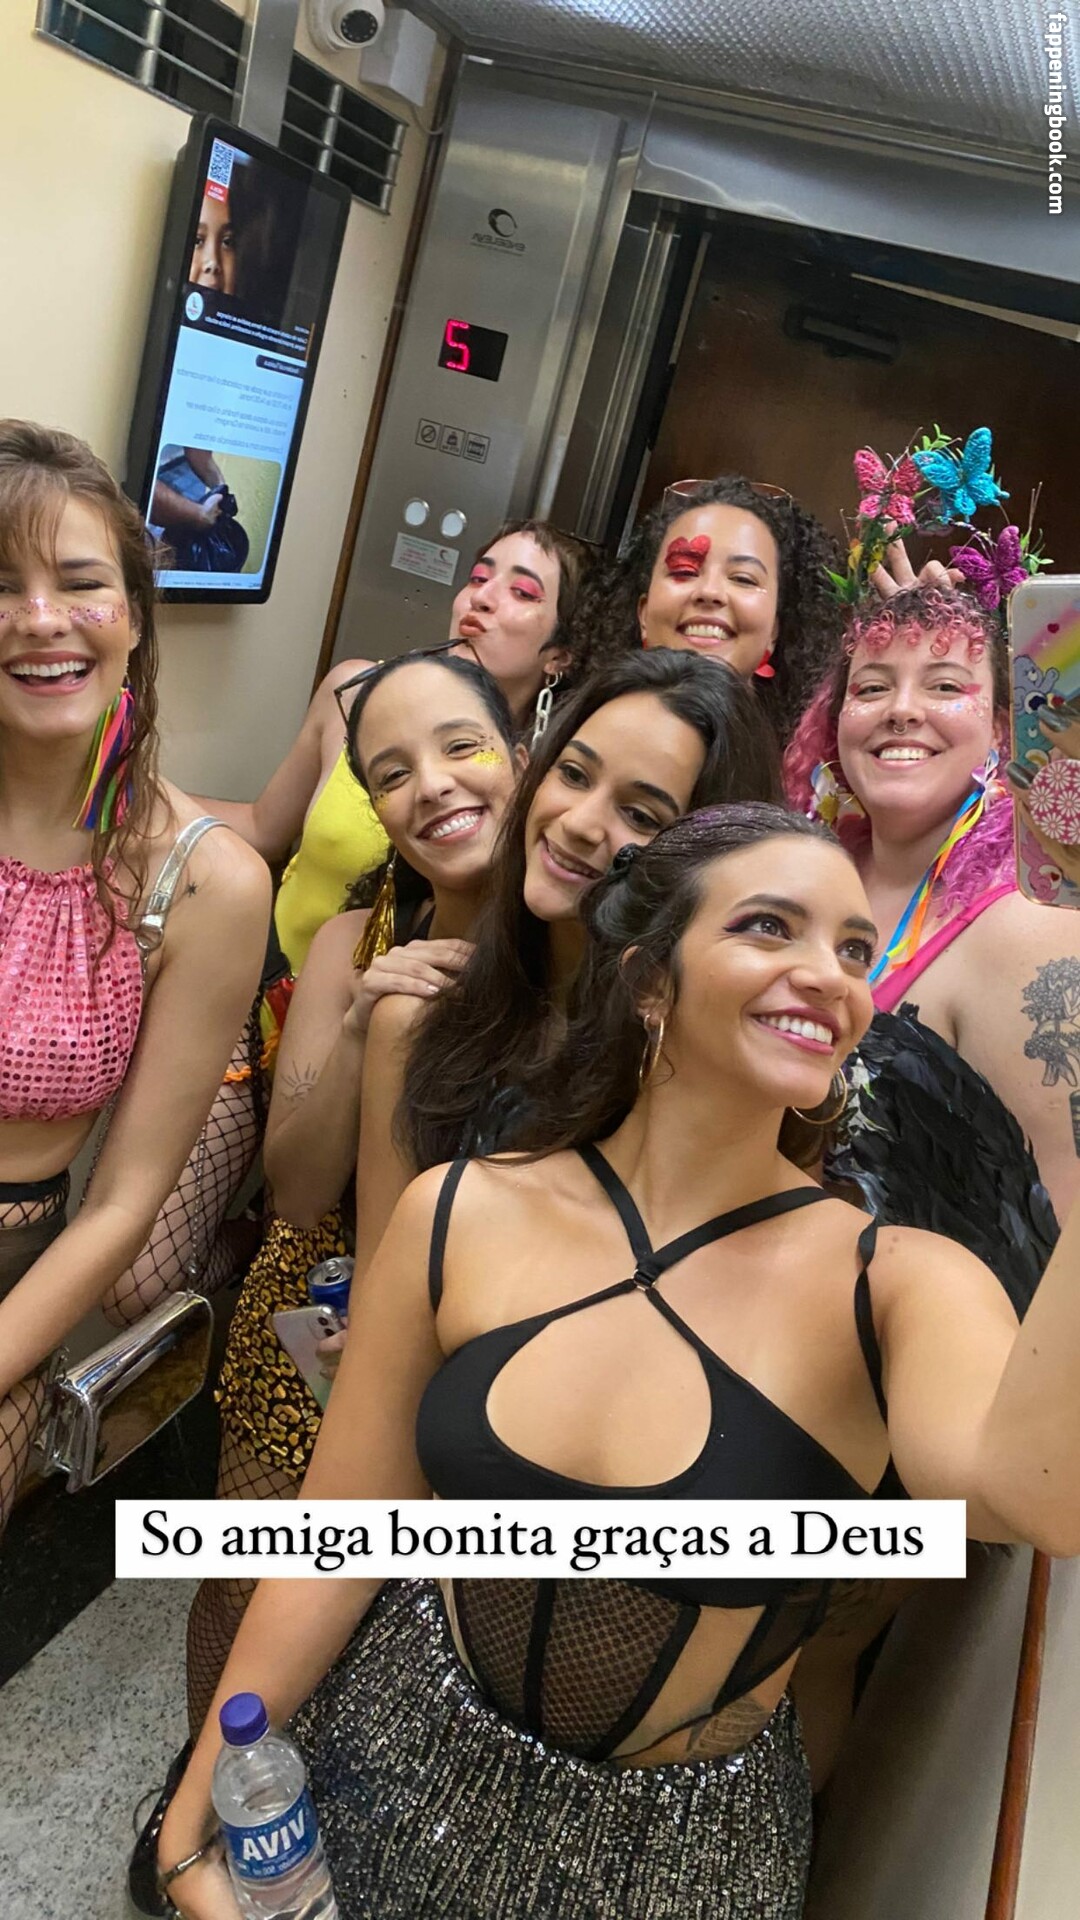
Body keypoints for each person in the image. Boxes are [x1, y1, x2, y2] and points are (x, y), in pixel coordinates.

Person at [159, 802, 1080, 1920]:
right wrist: (200, 1808)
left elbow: (1044, 1498)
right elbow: (337, 1540)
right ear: (648, 983)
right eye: (769, 927)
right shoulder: (458, 1209)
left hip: (674, 1862)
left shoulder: (899, 1285)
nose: (828, 976)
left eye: (853, 949)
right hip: (394, 1759)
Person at [101, 520, 593, 1329]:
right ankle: (252, 1258)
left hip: (386, 1103)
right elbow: (263, 826)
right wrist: (122, 792)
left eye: (522, 591)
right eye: (480, 575)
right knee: (140, 1276)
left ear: (557, 659)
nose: (484, 598)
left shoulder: (552, 837)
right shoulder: (355, 697)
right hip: (274, 1006)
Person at [0, 419, 270, 1531]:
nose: (40, 618)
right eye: (1, 586)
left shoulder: (203, 882)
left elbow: (123, 1206)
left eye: (79, 583)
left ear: (134, 617)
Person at [355, 648, 784, 1276]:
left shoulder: (716, 1072)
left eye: (639, 814)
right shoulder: (418, 1020)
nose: (579, 822)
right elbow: (380, 1292)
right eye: (575, 775)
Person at [571, 476, 845, 740]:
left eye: (743, 578)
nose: (710, 592)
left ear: (773, 631)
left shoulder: (800, 768)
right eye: (684, 572)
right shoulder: (578, 739)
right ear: (643, 613)